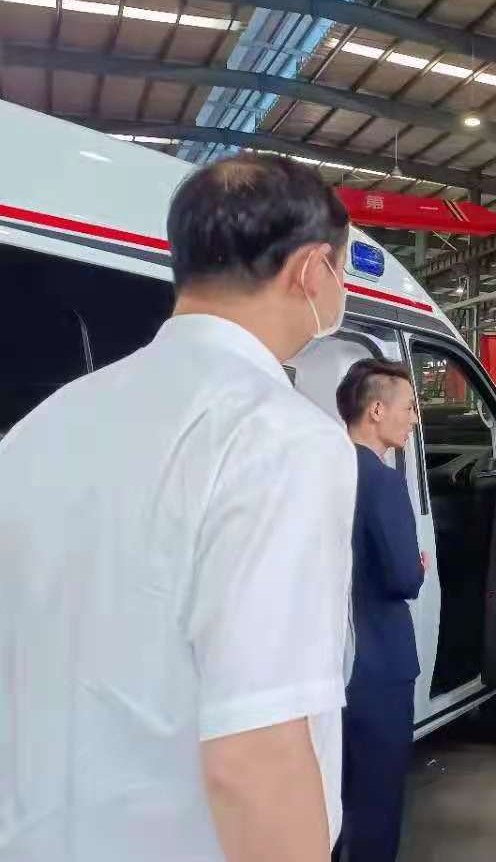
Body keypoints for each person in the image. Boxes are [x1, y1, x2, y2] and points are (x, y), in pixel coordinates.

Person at [0, 155, 355, 860]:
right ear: (312, 269)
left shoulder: (42, 426)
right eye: (342, 271)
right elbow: (256, 752)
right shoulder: (280, 437)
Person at [334, 358, 426, 862]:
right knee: (376, 801)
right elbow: (403, 578)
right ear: (376, 410)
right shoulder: (383, 482)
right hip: (380, 667)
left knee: (337, 799)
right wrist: (418, 565)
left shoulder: (323, 469)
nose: (413, 418)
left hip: (333, 663)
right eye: (409, 407)